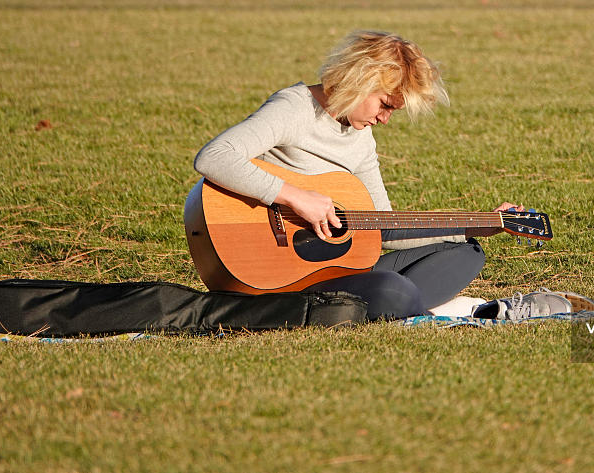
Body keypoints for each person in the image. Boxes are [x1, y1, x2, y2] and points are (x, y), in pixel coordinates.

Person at [193, 30, 523, 320]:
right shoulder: (294, 108)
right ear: (360, 81)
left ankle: (388, 307)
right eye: (385, 105)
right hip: (271, 271)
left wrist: (474, 226)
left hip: (329, 271)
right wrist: (296, 197)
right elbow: (214, 157)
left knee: (467, 252)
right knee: (392, 289)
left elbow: (383, 227)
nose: (385, 119)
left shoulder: (362, 139)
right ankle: (403, 307)